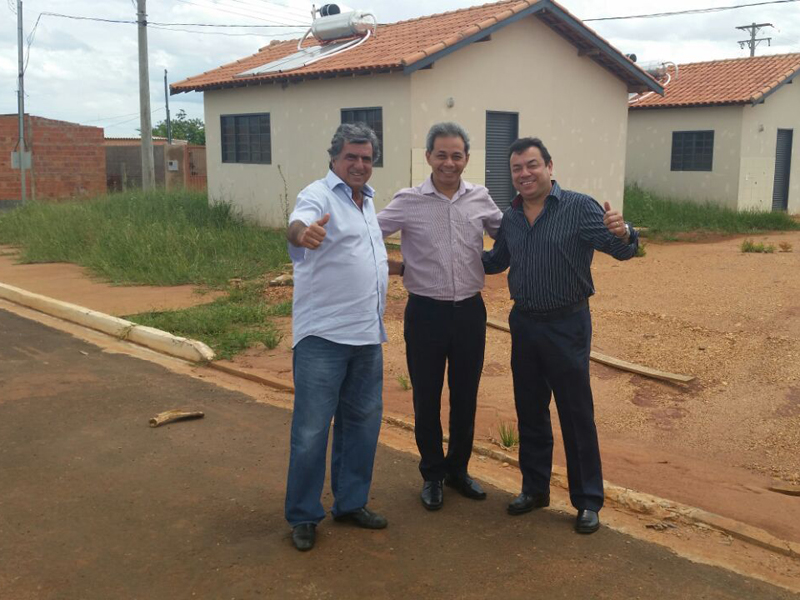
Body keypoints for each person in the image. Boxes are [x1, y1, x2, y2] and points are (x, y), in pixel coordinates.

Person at [483, 137, 639, 534]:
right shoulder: (511, 218)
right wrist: (448, 249)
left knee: (575, 412)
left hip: (567, 325)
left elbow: (622, 251)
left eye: (532, 165)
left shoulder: (579, 207)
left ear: (549, 167)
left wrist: (625, 231)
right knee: (530, 411)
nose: (524, 174)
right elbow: (496, 261)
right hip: (524, 324)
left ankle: (587, 501)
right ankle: (534, 489)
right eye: (517, 168)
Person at [378, 122, 503, 511]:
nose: (449, 163)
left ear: (466, 159)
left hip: (469, 313)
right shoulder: (408, 200)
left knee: (465, 398)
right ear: (429, 157)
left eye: (457, 155)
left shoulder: (481, 198)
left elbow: (513, 235)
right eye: (441, 155)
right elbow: (363, 234)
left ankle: (458, 471)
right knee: (427, 398)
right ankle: (432, 474)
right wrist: (396, 268)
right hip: (425, 314)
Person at [284, 123, 389, 552]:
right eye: (352, 157)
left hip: (366, 336)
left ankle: (350, 503)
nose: (360, 165)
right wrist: (301, 233)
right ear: (334, 158)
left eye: (366, 158)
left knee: (361, 426)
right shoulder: (319, 195)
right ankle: (304, 515)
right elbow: (299, 223)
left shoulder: (368, 202)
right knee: (311, 431)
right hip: (323, 337)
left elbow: (360, 256)